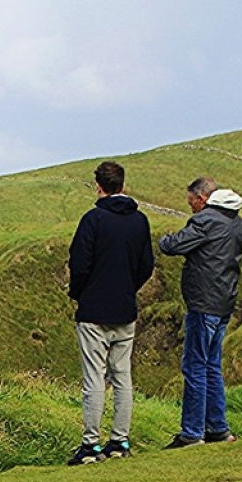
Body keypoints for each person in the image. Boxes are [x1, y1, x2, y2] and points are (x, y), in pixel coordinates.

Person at [65, 160, 154, 465]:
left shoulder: (93, 220)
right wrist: (129, 288)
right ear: (122, 185)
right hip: (124, 309)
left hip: (94, 311)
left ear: (99, 186)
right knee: (122, 377)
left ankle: (91, 445)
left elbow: (79, 265)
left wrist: (79, 294)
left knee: (94, 378)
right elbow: (146, 265)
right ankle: (120, 441)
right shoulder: (139, 221)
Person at [158, 176, 242, 448]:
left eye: (192, 203)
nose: (192, 209)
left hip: (203, 303)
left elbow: (174, 245)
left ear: (202, 198)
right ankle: (217, 428)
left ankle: (192, 432)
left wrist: (163, 239)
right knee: (211, 366)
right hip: (224, 301)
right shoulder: (237, 222)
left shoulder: (207, 220)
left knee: (195, 366)